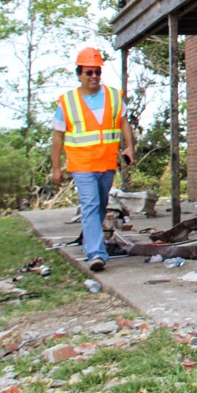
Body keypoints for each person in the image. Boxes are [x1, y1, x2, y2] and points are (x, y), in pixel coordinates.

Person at [50, 47, 134, 272]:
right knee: (90, 205)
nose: (94, 76)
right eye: (89, 72)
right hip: (82, 165)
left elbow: (124, 122)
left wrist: (130, 147)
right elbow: (57, 137)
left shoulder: (115, 96)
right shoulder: (67, 102)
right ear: (79, 74)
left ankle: (91, 242)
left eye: (97, 72)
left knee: (100, 206)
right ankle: (96, 253)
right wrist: (56, 168)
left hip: (106, 163)